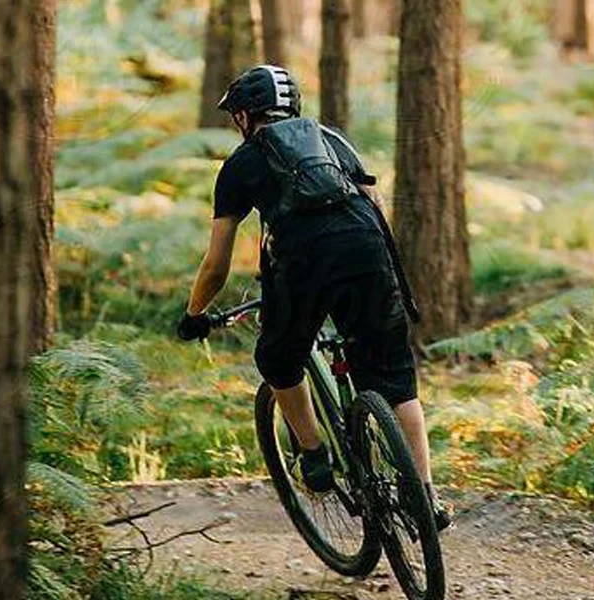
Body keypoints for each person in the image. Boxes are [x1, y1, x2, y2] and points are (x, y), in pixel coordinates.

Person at [176, 65, 450, 530]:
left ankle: (314, 455)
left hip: (304, 263)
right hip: (368, 249)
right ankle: (425, 496)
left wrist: (194, 314)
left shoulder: (241, 164)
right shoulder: (333, 139)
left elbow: (217, 264)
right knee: (395, 379)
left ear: (245, 117)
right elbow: (371, 204)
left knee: (280, 359)